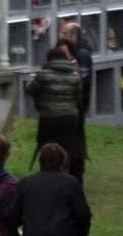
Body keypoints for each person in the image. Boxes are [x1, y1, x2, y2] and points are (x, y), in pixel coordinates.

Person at [26, 48, 86, 183]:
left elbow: (31, 90)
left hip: (49, 116)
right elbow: (79, 99)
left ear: (50, 59)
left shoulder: (43, 75)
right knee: (66, 147)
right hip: (70, 117)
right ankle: (63, 175)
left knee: (46, 145)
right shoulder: (75, 76)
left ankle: (46, 176)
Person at [59, 22, 93, 114]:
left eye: (64, 33)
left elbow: (82, 78)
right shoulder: (65, 50)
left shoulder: (82, 54)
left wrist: (69, 57)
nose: (61, 36)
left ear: (74, 36)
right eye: (61, 33)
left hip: (77, 99)